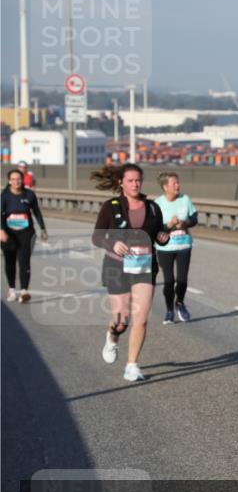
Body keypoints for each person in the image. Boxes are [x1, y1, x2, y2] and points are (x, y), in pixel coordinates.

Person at [90, 163, 168, 382]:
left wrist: (164, 237)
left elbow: (160, 233)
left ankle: (132, 365)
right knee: (121, 320)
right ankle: (112, 336)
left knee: (141, 319)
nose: (135, 184)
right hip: (117, 266)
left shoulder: (153, 207)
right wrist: (112, 244)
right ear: (121, 183)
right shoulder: (111, 206)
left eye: (138, 180)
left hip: (144, 267)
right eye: (131, 180)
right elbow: (96, 237)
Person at [153, 172, 198, 324]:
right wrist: (169, 225)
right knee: (169, 281)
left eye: (178, 183)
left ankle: (179, 302)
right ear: (165, 187)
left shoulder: (185, 199)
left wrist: (186, 223)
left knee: (182, 279)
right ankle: (169, 311)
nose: (178, 186)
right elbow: (155, 228)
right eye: (174, 183)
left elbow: (194, 218)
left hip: (184, 244)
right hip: (165, 247)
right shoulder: (157, 204)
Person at [1, 168, 47, 303]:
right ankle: (11, 290)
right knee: (10, 262)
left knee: (24, 261)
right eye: (13, 179)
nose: (16, 182)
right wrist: (1, 230)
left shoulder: (29, 195)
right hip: (8, 233)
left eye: (19, 179)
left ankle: (24, 291)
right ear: (9, 181)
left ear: (22, 180)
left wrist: (43, 229)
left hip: (26, 233)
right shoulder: (4, 196)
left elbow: (37, 212)